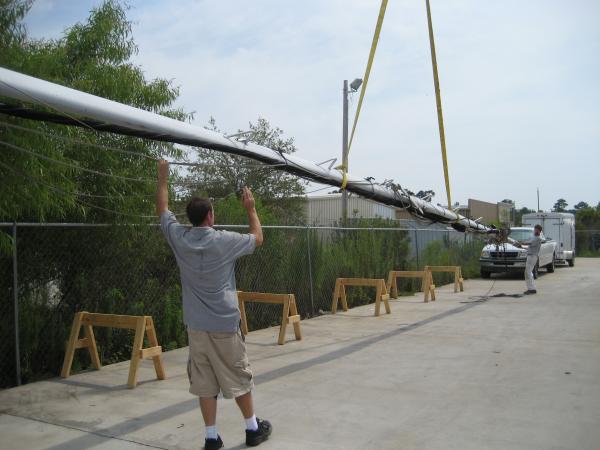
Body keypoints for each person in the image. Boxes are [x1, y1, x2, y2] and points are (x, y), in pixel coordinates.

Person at [156, 160, 272, 449]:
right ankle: (252, 429)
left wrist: (162, 176)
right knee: (238, 375)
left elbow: (162, 208)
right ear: (209, 215)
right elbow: (258, 238)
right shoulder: (224, 240)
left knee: (204, 383)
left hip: (196, 327)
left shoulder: (179, 238)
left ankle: (211, 438)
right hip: (224, 325)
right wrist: (251, 209)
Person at [515, 224, 543, 295]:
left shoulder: (538, 238)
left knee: (528, 272)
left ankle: (531, 289)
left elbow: (529, 243)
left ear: (539, 231)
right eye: (535, 229)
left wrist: (520, 243)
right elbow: (529, 247)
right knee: (528, 272)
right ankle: (531, 288)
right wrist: (521, 246)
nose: (535, 231)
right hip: (530, 256)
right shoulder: (534, 237)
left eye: (537, 230)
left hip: (532, 256)